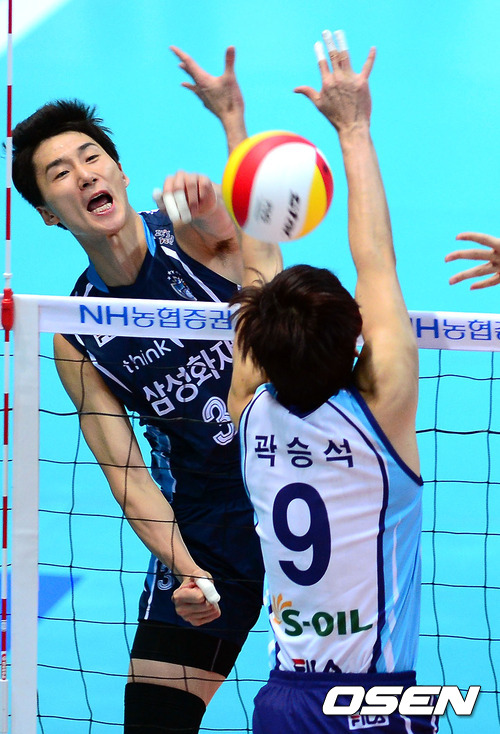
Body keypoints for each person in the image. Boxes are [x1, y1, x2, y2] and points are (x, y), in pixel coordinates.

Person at [11, 46, 274, 734]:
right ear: (47, 213)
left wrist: (231, 128)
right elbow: (127, 477)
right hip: (207, 524)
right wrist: (189, 573)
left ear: (120, 172)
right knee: (154, 722)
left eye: (91, 157)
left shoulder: (193, 237)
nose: (83, 174)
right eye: (59, 173)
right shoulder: (75, 332)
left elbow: (264, 260)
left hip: (302, 484)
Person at [226, 31, 438, 733]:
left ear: (254, 348)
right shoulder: (384, 411)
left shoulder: (247, 410)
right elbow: (376, 259)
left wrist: (237, 134)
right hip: (375, 705)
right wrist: (353, 127)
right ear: (356, 337)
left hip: (282, 701)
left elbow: (256, 273)